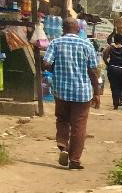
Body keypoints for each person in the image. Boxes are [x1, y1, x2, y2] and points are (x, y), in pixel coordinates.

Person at [42, 18, 101, 170]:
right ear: (78, 29)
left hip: (61, 91)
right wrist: (97, 92)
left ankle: (63, 145)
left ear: (63, 29)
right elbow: (94, 70)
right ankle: (74, 160)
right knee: (79, 125)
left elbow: (46, 63)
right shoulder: (86, 44)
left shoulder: (55, 43)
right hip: (82, 92)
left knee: (62, 119)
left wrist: (57, 70)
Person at [103, 33, 122, 110]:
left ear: (114, 40)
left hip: (113, 69)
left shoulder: (110, 47)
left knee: (114, 86)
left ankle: (115, 104)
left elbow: (104, 56)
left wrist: (108, 64)